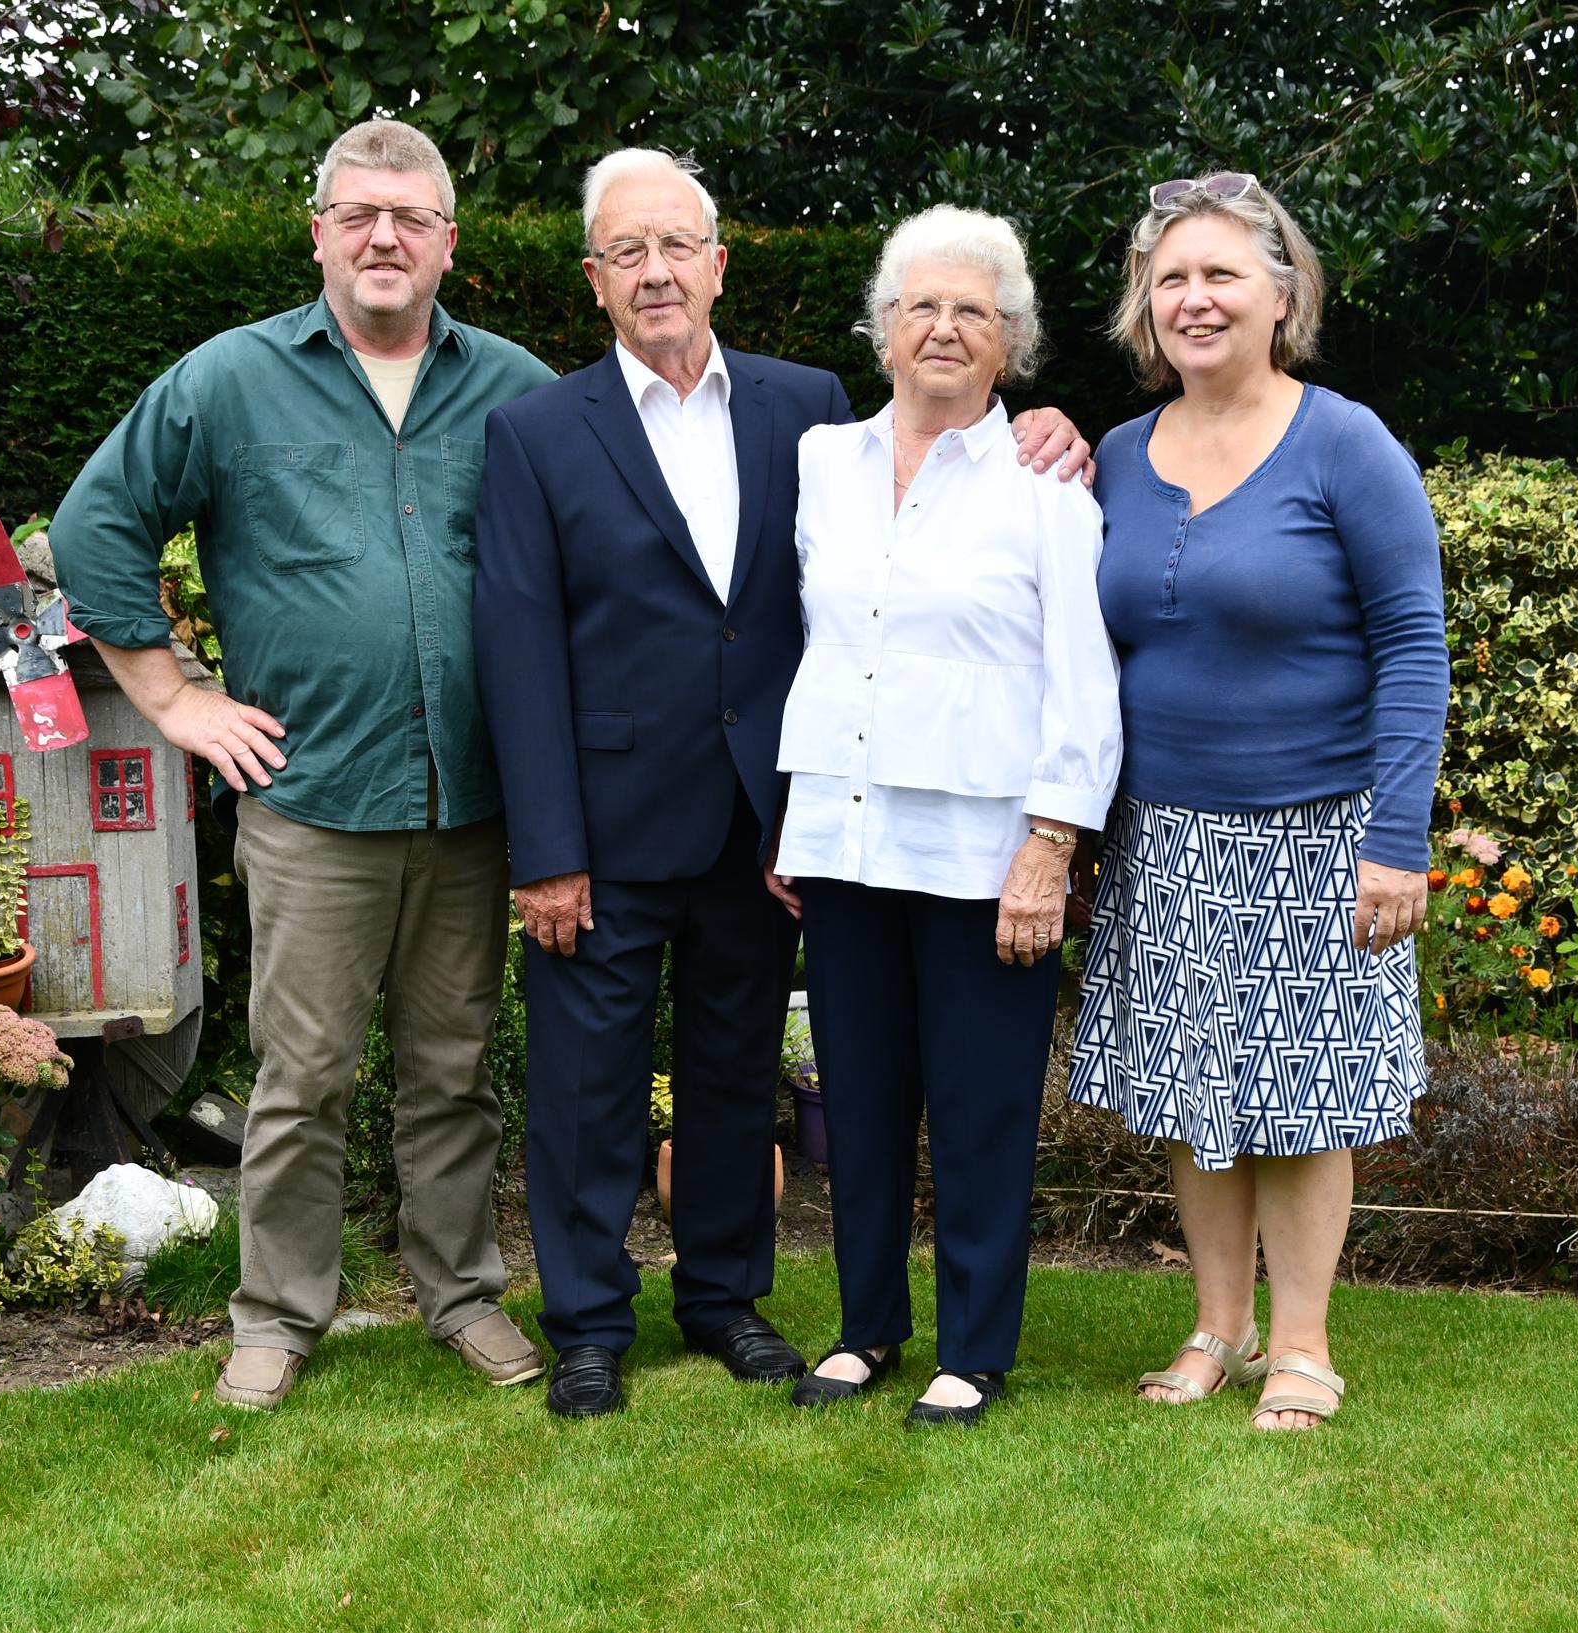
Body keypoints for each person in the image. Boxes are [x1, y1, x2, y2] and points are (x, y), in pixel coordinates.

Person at [474, 150, 1093, 1419]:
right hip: (612, 823)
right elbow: (516, 639)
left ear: (717, 263)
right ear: (595, 280)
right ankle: (588, 1322)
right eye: (626, 252)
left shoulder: (801, 412)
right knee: (586, 1090)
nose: (656, 272)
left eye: (677, 246)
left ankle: (722, 1298)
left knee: (732, 1071)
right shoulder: (542, 430)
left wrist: (1053, 424)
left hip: (766, 829)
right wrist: (543, 845)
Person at [49, 120, 557, 1412]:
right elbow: (95, 523)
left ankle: (460, 1295)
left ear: (449, 240)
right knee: (304, 1076)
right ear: (317, 230)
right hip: (313, 799)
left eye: (411, 216)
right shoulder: (229, 383)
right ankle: (277, 1315)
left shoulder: (516, 388)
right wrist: (171, 694)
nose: (384, 236)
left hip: (472, 804)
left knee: (452, 1070)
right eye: (359, 213)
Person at [1065, 172, 1449, 1430]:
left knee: (1296, 1100)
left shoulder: (1344, 442)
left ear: (1281, 294)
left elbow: (1413, 643)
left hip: (1318, 828)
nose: (1194, 299)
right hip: (1164, 832)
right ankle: (1214, 1329)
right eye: (1170, 278)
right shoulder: (1117, 456)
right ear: (1143, 307)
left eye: (1222, 274)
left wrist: (1398, 838)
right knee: (1193, 1094)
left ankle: (1303, 1345)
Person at [765, 207, 1121, 1428]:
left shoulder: (1045, 489)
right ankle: (866, 1328)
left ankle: (973, 1348)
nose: (944, 328)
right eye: (921, 305)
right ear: (882, 330)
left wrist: (1050, 844)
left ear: (1008, 344)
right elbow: (811, 647)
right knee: (856, 1102)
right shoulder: (821, 464)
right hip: (845, 838)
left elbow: (1084, 684)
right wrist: (792, 815)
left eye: (973, 311)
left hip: (987, 858)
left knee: (978, 1113)